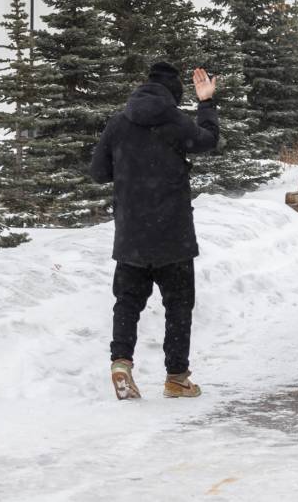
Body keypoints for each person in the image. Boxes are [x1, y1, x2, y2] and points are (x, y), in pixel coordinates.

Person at [90, 62, 219, 400]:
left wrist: (129, 167)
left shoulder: (119, 123)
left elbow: (98, 172)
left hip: (131, 234)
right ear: (173, 94)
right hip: (173, 235)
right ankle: (177, 379)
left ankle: (121, 363)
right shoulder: (175, 121)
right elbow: (207, 142)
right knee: (178, 306)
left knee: (127, 302)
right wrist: (206, 103)